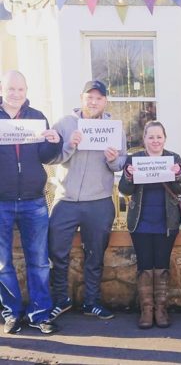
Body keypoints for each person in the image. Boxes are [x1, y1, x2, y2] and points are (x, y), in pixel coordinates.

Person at [48, 80, 127, 321]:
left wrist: (112, 160)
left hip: (99, 200)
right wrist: (70, 145)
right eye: (89, 97)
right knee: (56, 252)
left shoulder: (114, 128)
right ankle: (61, 299)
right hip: (66, 199)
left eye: (99, 98)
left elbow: (121, 163)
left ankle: (91, 302)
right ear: (82, 98)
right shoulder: (64, 124)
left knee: (95, 254)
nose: (93, 102)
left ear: (105, 101)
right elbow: (50, 159)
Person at [0, 70, 62, 334]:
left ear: (26, 91)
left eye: (21, 90)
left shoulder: (37, 117)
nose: (16, 94)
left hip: (33, 200)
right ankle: (11, 314)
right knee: (2, 264)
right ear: (3, 89)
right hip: (1, 201)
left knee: (38, 261)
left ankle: (39, 314)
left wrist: (54, 143)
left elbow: (46, 157)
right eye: (11, 89)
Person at [119, 121, 181, 329]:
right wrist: (129, 176)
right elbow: (125, 189)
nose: (155, 141)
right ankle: (147, 310)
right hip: (140, 221)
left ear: (164, 138)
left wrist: (177, 174)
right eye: (151, 137)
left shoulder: (173, 158)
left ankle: (161, 309)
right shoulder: (134, 159)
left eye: (159, 137)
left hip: (167, 221)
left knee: (162, 264)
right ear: (144, 139)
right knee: (145, 265)